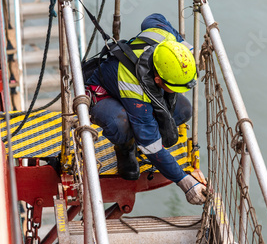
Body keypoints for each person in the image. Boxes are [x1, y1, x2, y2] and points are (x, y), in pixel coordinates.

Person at [85, 13, 207, 205]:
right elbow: (151, 144)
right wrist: (185, 182)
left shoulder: (165, 38)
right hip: (106, 95)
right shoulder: (134, 91)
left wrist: (188, 47)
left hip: (140, 87)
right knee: (122, 123)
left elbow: (152, 18)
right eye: (173, 87)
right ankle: (125, 148)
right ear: (158, 80)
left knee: (183, 110)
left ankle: (140, 133)